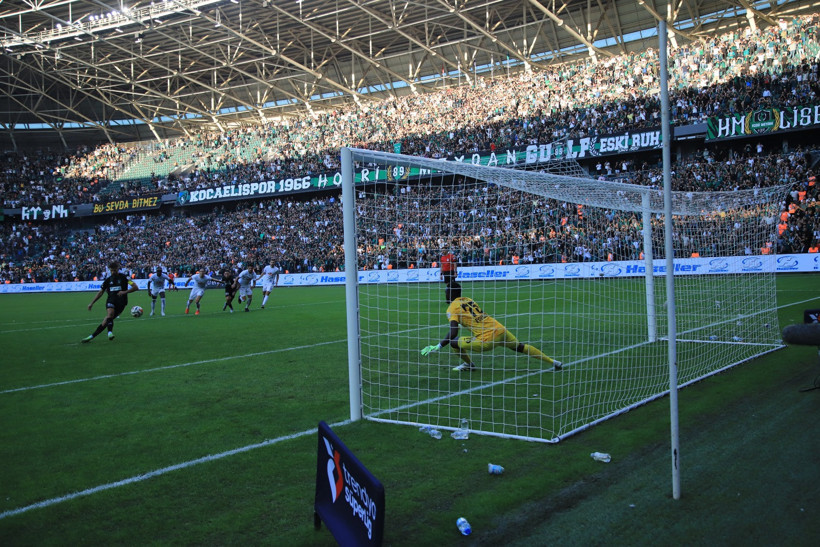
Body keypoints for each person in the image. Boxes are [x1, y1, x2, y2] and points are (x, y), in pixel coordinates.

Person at [421, 281, 563, 372]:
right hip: (500, 329)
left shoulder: (452, 308)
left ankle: (469, 364)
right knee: (520, 347)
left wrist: (438, 346)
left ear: (451, 293)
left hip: (487, 339)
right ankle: (553, 362)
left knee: (454, 342)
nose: (445, 294)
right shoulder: (468, 299)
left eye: (446, 292)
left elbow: (453, 332)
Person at [81, 261, 139, 343]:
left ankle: (92, 336)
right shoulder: (108, 280)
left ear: (118, 269)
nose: (113, 272)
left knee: (106, 322)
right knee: (110, 314)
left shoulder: (124, 278)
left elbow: (135, 287)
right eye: (111, 270)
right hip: (111, 300)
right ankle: (110, 332)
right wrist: (92, 303)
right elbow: (100, 292)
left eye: (114, 270)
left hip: (122, 303)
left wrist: (124, 292)